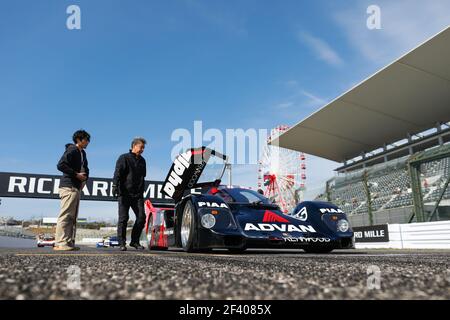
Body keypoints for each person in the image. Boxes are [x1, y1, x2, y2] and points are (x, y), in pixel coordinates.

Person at [54, 130, 90, 251]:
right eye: (86, 139)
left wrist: (84, 180)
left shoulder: (83, 153)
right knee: (66, 215)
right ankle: (60, 243)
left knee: (72, 217)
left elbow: (86, 168)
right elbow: (61, 165)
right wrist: (76, 175)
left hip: (76, 187)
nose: (88, 142)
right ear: (79, 140)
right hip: (68, 186)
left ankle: (68, 242)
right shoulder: (72, 150)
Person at [112, 137, 147, 251]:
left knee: (141, 217)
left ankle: (134, 241)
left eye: (143, 148)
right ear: (134, 146)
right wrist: (114, 186)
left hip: (138, 195)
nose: (142, 149)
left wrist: (141, 190)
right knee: (124, 218)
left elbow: (143, 177)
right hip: (124, 193)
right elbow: (117, 173)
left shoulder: (143, 161)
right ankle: (121, 243)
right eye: (141, 147)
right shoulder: (124, 158)